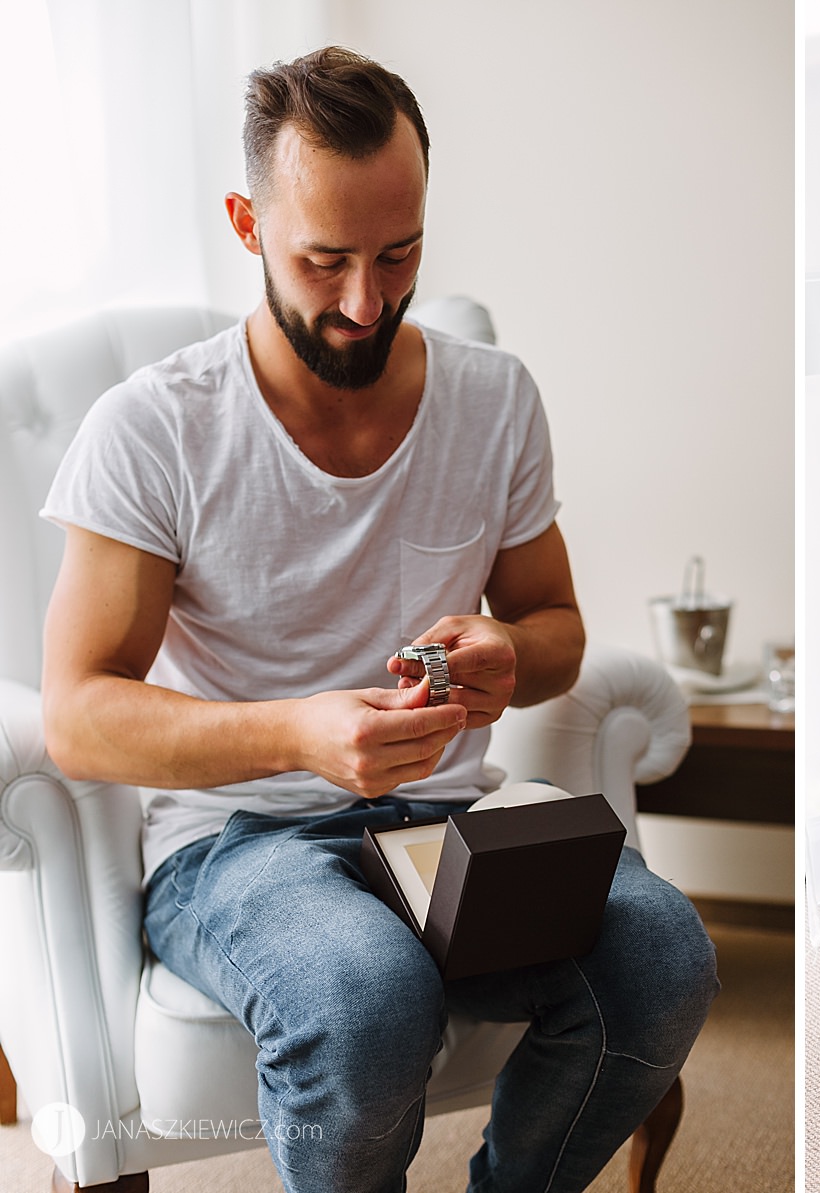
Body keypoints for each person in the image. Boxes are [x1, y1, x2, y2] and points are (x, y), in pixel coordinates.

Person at [39, 46, 717, 1193]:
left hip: (448, 823)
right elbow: (78, 717)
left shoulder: (494, 398)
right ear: (247, 224)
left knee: (664, 955)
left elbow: (555, 628)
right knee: (365, 999)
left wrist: (512, 654)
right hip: (237, 843)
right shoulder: (151, 428)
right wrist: (299, 734)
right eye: (325, 260)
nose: (365, 302)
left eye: (398, 254)